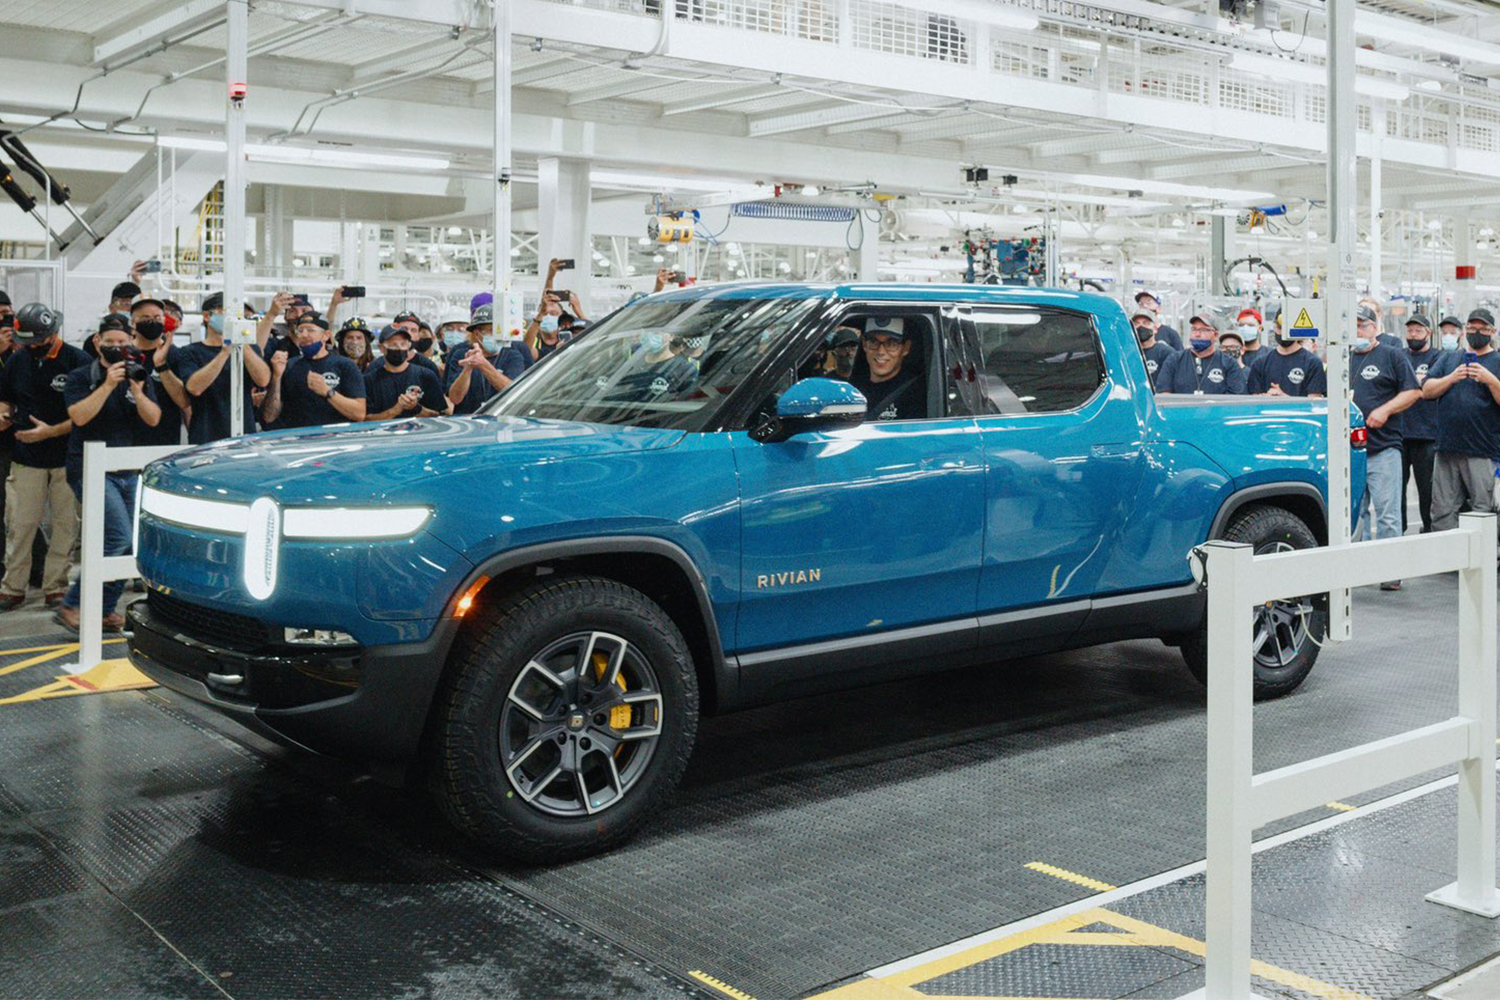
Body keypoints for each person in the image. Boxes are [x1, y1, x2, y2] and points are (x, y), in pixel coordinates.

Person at [53, 322, 161, 632]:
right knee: (118, 537)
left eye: (122, 342)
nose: (116, 347)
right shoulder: (79, 377)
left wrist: (137, 392)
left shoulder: (136, 374)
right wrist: (109, 385)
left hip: (127, 468)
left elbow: (153, 419)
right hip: (88, 467)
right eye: (110, 341)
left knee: (130, 544)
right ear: (98, 342)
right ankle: (73, 605)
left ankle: (101, 609)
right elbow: (79, 416)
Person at [0, 304, 88, 611]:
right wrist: (5, 413)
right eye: (28, 342)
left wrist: (49, 432)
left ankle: (55, 586)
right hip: (25, 455)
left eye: (39, 341)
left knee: (65, 526)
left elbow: (88, 414)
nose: (33, 347)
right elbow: (6, 396)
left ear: (53, 333)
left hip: (68, 457)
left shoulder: (78, 361)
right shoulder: (17, 359)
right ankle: (13, 587)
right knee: (20, 524)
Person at [1349, 303, 1421, 587]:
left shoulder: (1391, 355)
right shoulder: (1342, 358)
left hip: (1384, 448)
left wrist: (1385, 410)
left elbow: (1414, 391)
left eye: (1363, 325)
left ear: (1375, 327)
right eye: (1352, 325)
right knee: (1356, 515)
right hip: (1350, 452)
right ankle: (1361, 569)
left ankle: (1390, 573)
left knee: (1388, 515)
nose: (1358, 331)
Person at [1422, 308, 1500, 533]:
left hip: (1483, 451)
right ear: (1464, 331)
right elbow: (1427, 390)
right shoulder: (1449, 359)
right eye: (1472, 327)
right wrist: (1451, 377)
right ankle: (1447, 562)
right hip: (1447, 448)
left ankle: (1483, 563)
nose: (1477, 332)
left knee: (1483, 511)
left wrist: (1490, 380)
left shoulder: (1496, 361)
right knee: (1442, 511)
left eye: (1483, 328)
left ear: (1492, 332)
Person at [178, 293, 270, 444]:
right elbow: (194, 388)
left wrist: (242, 343)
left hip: (244, 436)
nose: (231, 319)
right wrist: (224, 353)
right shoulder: (190, 352)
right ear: (207, 316)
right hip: (206, 436)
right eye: (225, 312)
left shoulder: (250, 349)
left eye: (236, 315)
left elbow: (263, 380)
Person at [261, 312, 366, 428]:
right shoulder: (289, 365)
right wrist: (276, 377)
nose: (304, 335)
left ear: (326, 335)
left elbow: (359, 413)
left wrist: (328, 392)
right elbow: (269, 416)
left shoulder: (345, 365)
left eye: (310, 330)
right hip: (298, 440)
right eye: (300, 331)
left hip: (334, 439)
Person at [128, 298, 190, 446]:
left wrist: (162, 366)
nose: (152, 322)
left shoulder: (175, 355)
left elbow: (184, 402)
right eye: (145, 318)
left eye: (157, 318)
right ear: (132, 322)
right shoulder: (123, 355)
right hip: (126, 440)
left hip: (165, 440)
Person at [445, 304, 528, 414]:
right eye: (489, 330)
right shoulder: (461, 354)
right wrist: (467, 370)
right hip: (467, 421)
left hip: (500, 421)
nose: (495, 335)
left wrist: (483, 364)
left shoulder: (513, 356)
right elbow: (455, 398)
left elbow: (512, 392)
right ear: (476, 333)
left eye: (498, 330)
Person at [1400, 314, 1440, 534]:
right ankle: (1399, 529)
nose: (1413, 335)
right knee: (1397, 489)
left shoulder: (1438, 358)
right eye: (1409, 331)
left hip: (1427, 435)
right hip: (1400, 434)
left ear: (1428, 333)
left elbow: (1427, 389)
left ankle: (1429, 529)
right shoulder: (1399, 356)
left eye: (1417, 331)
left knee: (1428, 489)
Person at [848, 317, 926, 421]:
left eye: (891, 343)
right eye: (873, 342)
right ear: (864, 345)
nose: (881, 351)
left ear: (905, 348)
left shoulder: (916, 393)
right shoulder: (852, 389)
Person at [364, 325, 448, 420]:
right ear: (381, 348)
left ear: (409, 346)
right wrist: (395, 410)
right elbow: (365, 419)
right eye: (393, 345)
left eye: (403, 344)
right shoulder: (369, 380)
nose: (399, 348)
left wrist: (416, 408)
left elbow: (439, 415)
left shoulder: (426, 375)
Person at [1156, 312, 1246, 395]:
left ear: (1215, 335)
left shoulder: (1229, 363)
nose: (1197, 334)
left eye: (1204, 330)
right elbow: (1164, 392)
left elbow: (1235, 396)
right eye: (1194, 329)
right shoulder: (1174, 360)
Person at [1245, 323, 1326, 398]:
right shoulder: (1260, 363)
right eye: (1280, 328)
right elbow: (1254, 400)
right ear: (1274, 328)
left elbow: (1314, 403)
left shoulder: (1312, 363)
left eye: (1288, 328)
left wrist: (1284, 399)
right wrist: (1267, 398)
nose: (1283, 333)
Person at [525, 292, 578, 363]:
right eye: (545, 313)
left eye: (553, 314)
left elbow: (593, 336)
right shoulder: (533, 338)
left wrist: (578, 310)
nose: (548, 317)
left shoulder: (567, 337)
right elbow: (525, 351)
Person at [1131, 309, 1177, 391]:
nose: (1140, 327)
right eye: (1136, 324)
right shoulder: (1127, 354)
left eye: (1146, 323)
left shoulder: (1167, 353)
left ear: (1155, 329)